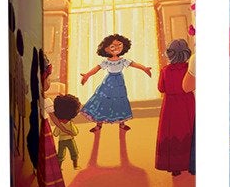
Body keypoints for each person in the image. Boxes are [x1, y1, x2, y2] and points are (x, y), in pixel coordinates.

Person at [77, 34, 150, 168]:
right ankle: (98, 124)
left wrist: (144, 68)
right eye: (113, 46)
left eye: (119, 45)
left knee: (120, 102)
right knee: (103, 102)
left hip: (119, 84)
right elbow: (96, 69)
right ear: (106, 49)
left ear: (124, 46)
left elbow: (134, 64)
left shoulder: (123, 60)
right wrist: (87, 75)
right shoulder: (106, 62)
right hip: (108, 84)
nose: (116, 48)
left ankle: (122, 123)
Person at [154, 39, 194, 175]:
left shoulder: (165, 70)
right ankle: (192, 164)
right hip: (187, 102)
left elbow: (161, 88)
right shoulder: (189, 68)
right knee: (189, 130)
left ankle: (175, 167)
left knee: (172, 132)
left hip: (170, 105)